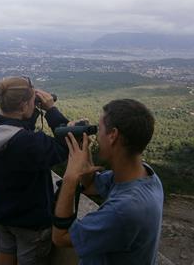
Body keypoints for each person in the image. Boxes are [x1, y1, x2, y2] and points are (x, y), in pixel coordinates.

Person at [52, 99, 164, 265]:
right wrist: (84, 149)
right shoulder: (145, 175)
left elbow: (60, 238)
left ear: (113, 135)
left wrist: (70, 176)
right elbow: (90, 186)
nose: (96, 135)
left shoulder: (124, 210)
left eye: (99, 129)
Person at [0, 76, 70, 265]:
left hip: (2, 213)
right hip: (30, 221)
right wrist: (51, 110)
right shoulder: (27, 143)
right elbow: (65, 147)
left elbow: (16, 129)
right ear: (22, 106)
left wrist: (30, 111)